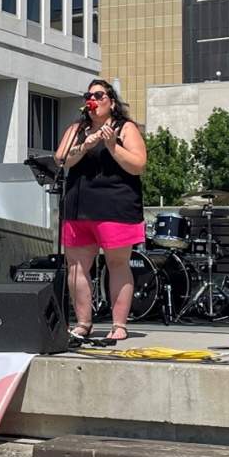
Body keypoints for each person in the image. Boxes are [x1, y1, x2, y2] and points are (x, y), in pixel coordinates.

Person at [54, 79, 147, 342]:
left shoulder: (124, 127)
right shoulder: (77, 128)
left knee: (116, 263)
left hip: (115, 205)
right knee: (76, 266)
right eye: (89, 95)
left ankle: (118, 325)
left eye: (99, 94)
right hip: (78, 205)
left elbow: (138, 165)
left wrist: (112, 146)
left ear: (111, 101)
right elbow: (61, 160)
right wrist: (84, 145)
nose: (92, 99)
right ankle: (83, 323)